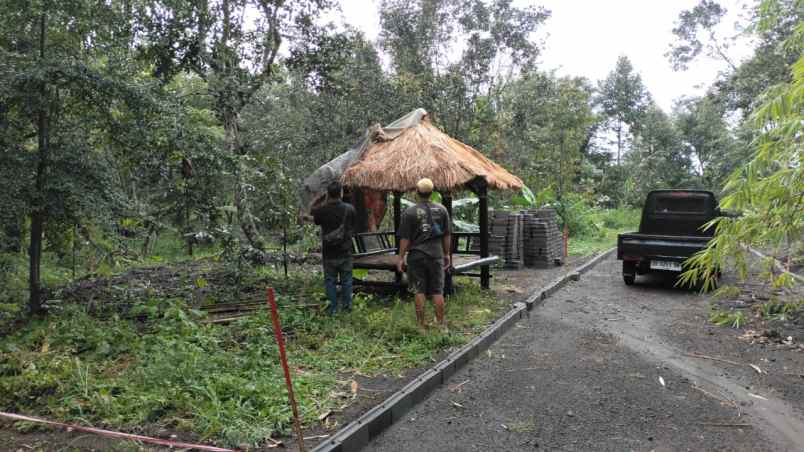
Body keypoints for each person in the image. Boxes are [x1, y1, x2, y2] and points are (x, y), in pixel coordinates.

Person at [396, 178, 452, 332]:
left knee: (419, 290)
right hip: (436, 255)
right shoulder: (442, 210)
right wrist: (446, 254)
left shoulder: (409, 212)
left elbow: (405, 238)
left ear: (416, 192)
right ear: (432, 193)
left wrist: (400, 257)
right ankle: (441, 325)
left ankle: (421, 326)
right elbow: (447, 235)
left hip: (417, 256)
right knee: (437, 291)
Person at [311, 181, 356, 315]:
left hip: (329, 252)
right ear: (341, 193)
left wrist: (319, 200)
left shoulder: (321, 210)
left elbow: (314, 215)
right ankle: (347, 308)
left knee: (330, 281)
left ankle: (332, 309)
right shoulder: (350, 209)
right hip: (346, 251)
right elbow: (353, 225)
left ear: (328, 194)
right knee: (347, 281)